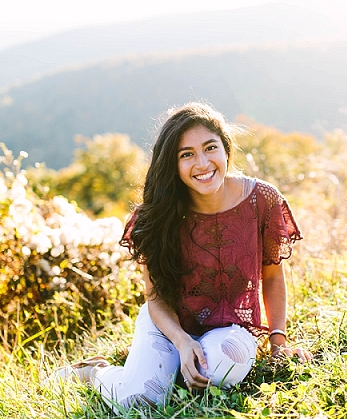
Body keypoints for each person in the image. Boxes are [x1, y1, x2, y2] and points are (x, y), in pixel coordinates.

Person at [47, 102, 311, 408]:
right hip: (170, 321)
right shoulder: (155, 217)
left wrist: (278, 341)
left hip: (230, 328)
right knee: (140, 398)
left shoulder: (261, 200)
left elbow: (273, 275)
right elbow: (156, 297)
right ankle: (96, 373)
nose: (202, 163)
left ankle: (173, 369)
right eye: (186, 154)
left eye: (210, 148)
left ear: (226, 151)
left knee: (224, 367)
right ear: (173, 164)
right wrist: (181, 340)